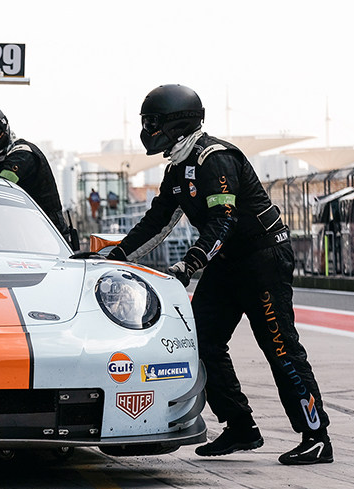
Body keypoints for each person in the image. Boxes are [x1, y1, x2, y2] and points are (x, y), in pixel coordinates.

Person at [108, 84, 332, 465]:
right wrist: (114, 256)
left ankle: (316, 436)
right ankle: (240, 426)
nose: (147, 130)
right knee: (201, 340)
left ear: (176, 122)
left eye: (152, 122)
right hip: (228, 262)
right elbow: (157, 222)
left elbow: (223, 221)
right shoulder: (177, 168)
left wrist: (189, 264)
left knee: (279, 346)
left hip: (262, 259)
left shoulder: (215, 159)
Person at [0, 102, 72, 242]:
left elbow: (3, 185)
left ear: (2, 126)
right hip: (30, 233)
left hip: (49, 236)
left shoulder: (22, 153)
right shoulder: (5, 157)